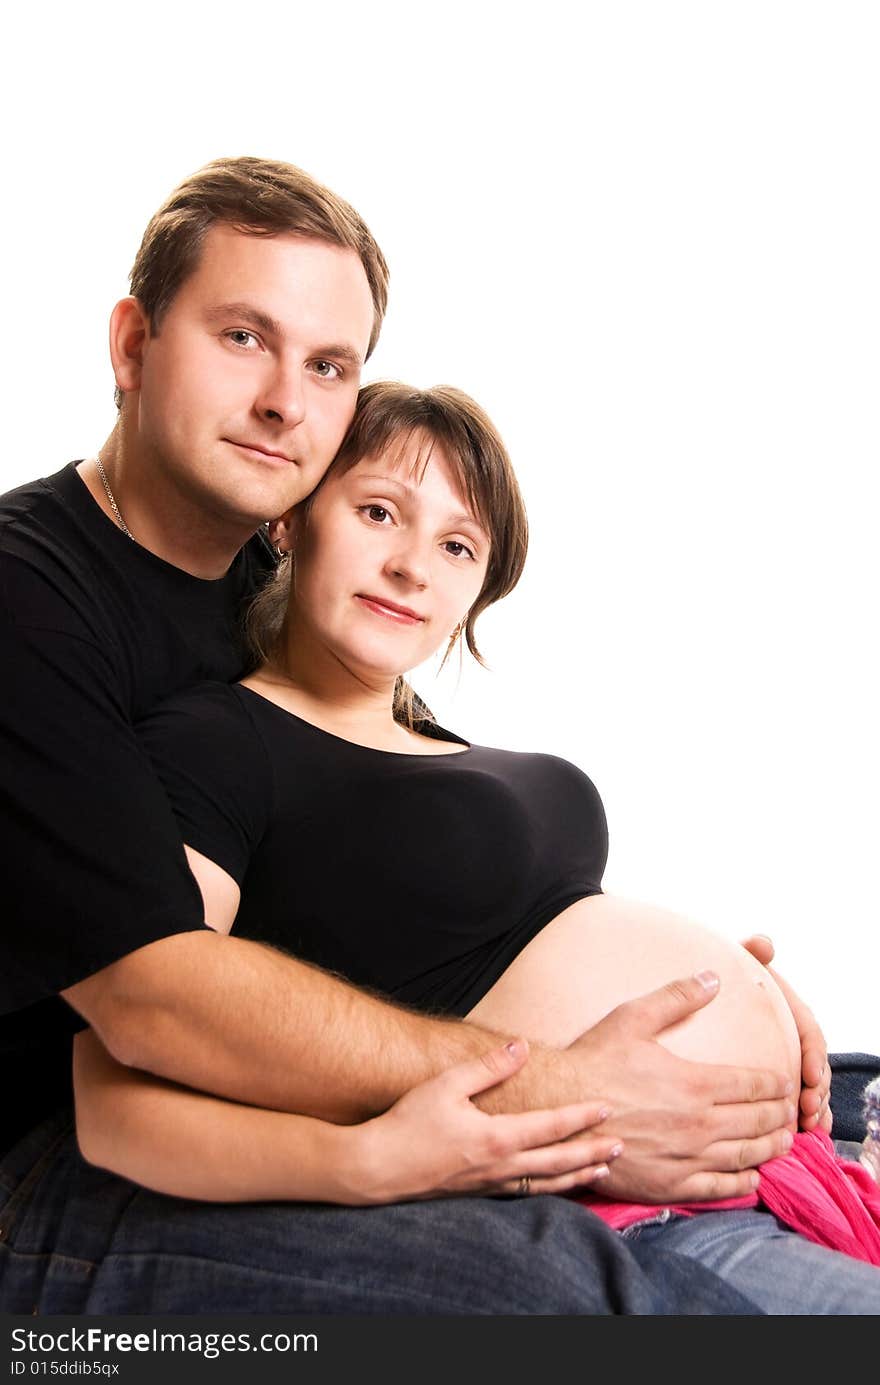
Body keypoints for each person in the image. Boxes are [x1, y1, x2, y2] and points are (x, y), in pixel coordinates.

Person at [0, 154, 855, 1316]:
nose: (283, 402)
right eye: (241, 337)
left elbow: (387, 858)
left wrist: (719, 994)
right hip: (48, 1170)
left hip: (381, 1098)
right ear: (132, 346)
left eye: (328, 364)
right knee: (564, 1290)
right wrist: (572, 1093)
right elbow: (148, 1008)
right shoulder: (32, 596)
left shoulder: (290, 582)